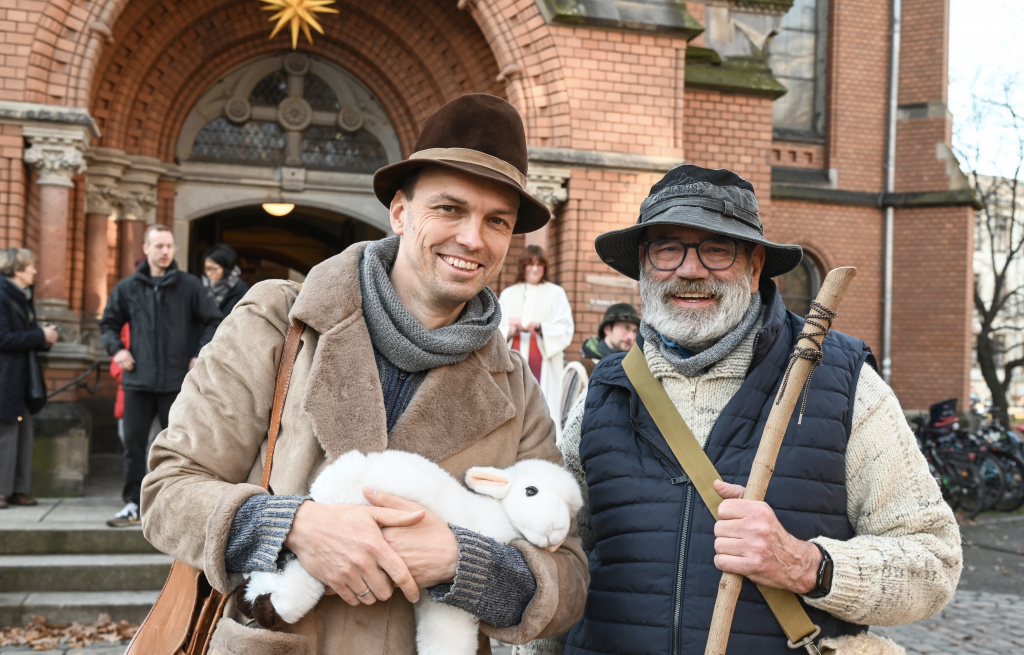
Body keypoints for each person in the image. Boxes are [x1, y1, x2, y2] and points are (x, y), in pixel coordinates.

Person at [141, 94, 588, 654]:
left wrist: (461, 560)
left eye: (496, 221)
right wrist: (295, 528)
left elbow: (566, 576)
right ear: (400, 212)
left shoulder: (517, 388)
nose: (473, 238)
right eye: (450, 208)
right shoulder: (280, 321)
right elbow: (168, 489)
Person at [533, 166, 961, 655]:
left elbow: (934, 562)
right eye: (667, 248)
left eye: (717, 249)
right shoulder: (603, 392)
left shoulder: (842, 384)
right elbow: (558, 567)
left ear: (755, 266)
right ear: (643, 264)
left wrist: (806, 564)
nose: (690, 271)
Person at [100, 225, 222, 527]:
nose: (165, 251)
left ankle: (176, 506)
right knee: (134, 446)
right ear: (146, 249)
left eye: (169, 246)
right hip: (137, 381)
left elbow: (214, 321)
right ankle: (133, 504)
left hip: (176, 383)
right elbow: (109, 324)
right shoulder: (127, 288)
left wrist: (200, 353)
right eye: (158, 246)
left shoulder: (190, 285)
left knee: (180, 447)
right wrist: (117, 351)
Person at [0, 248, 58, 509]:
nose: (35, 270)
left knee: (23, 433)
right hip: (5, 377)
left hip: (21, 377)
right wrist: (39, 336)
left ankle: (17, 490)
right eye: (31, 266)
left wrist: (44, 339)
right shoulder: (2, 295)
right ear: (16, 269)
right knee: (6, 434)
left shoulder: (23, 297)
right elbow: (3, 339)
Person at [499, 246, 575, 432]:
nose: (535, 269)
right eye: (530, 264)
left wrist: (541, 328)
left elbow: (565, 328)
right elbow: (496, 327)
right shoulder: (509, 294)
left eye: (540, 265)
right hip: (514, 357)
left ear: (545, 268)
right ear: (522, 267)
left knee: (543, 406)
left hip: (544, 364)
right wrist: (510, 330)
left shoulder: (556, 293)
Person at [579, 303, 639, 369]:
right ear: (608, 329)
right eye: (626, 328)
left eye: (635, 331)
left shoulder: (635, 369)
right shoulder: (583, 368)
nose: (631, 337)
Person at [203, 244, 250, 315]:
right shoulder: (202, 288)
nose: (208, 273)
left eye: (213, 269)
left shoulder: (242, 292)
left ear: (226, 268)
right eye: (206, 269)